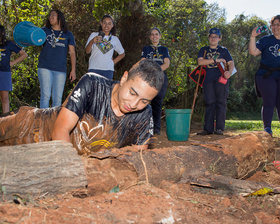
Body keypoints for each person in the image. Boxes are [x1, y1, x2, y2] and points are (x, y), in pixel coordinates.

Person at [0, 60, 164, 154]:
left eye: (144, 101)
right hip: (31, 128)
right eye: (133, 93)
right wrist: (72, 169)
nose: (134, 105)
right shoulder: (93, 84)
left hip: (41, 157)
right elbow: (60, 130)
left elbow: (138, 157)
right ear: (124, 78)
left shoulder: (143, 115)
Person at [197, 28, 234, 135]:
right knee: (209, 102)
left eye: (216, 36)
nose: (213, 38)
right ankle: (208, 129)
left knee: (221, 102)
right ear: (208, 38)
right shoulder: (204, 50)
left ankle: (219, 128)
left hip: (221, 78)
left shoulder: (224, 50)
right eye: (211, 36)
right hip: (208, 78)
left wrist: (229, 72)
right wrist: (215, 60)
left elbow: (231, 63)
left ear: (219, 38)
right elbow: (200, 62)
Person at [38, 9, 76, 108]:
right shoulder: (44, 31)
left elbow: (72, 52)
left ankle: (55, 122)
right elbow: (33, 40)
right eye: (49, 16)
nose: (50, 17)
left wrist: (73, 70)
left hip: (60, 70)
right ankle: (43, 122)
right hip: (45, 67)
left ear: (60, 18)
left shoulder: (68, 34)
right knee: (45, 96)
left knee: (57, 99)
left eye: (53, 15)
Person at [249, 15, 280, 137]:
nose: (276, 27)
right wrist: (252, 37)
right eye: (273, 24)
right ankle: (267, 129)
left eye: (278, 24)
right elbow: (253, 52)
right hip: (266, 75)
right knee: (269, 101)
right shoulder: (266, 40)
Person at [141, 27, 170, 135]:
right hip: (148, 77)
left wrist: (156, 70)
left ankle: (156, 129)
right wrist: (150, 71)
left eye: (156, 34)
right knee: (146, 102)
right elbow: (143, 62)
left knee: (157, 102)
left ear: (160, 36)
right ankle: (146, 128)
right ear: (150, 37)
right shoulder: (146, 49)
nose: (154, 36)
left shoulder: (164, 49)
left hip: (161, 77)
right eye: (152, 34)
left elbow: (166, 64)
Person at [85, 14, 125, 80]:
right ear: (101, 23)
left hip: (107, 71)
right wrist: (92, 41)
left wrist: (112, 62)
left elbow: (122, 54)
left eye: (109, 23)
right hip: (93, 68)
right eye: (104, 23)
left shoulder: (114, 39)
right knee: (93, 90)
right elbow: (87, 51)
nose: (106, 26)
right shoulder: (94, 35)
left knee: (105, 90)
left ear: (112, 25)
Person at [0, 24, 27, 115]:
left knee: (4, 97)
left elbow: (24, 54)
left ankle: (5, 120)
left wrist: (12, 63)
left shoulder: (8, 44)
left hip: (4, 73)